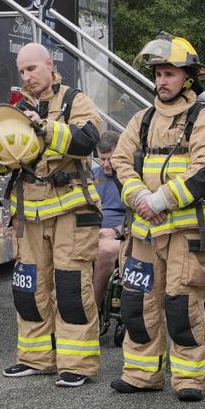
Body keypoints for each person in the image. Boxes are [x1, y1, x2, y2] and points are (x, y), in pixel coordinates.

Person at [110, 33, 205, 401]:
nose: (161, 81)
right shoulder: (141, 120)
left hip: (186, 232)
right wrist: (139, 196)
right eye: (158, 73)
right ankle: (142, 374)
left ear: (188, 78)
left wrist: (160, 200)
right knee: (137, 303)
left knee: (181, 304)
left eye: (170, 74)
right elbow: (120, 162)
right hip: (144, 234)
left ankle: (189, 378)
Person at [0, 43, 104, 388]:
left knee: (70, 287)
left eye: (32, 69)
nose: (26, 77)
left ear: (49, 65)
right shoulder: (16, 107)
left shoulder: (75, 101)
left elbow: (88, 140)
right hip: (30, 213)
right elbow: (0, 161)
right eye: (21, 71)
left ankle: (77, 364)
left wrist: (46, 128)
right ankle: (35, 358)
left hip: (71, 209)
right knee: (29, 289)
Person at [92, 129, 125, 307]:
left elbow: (141, 217)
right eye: (101, 159)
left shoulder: (131, 178)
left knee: (104, 250)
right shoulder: (93, 176)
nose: (105, 164)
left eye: (109, 159)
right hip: (92, 232)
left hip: (123, 235)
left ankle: (92, 310)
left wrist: (115, 231)